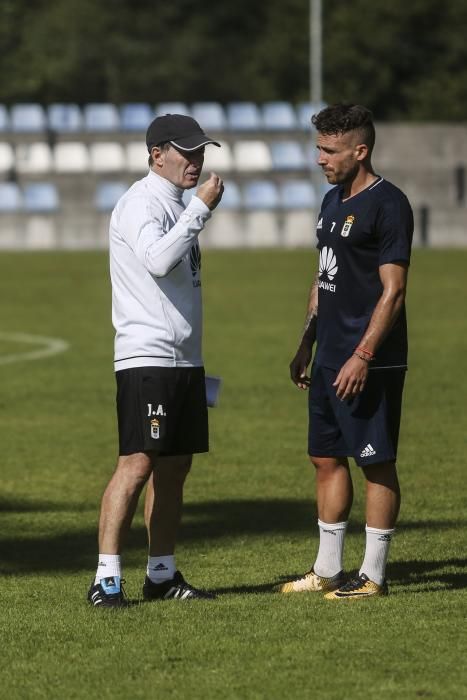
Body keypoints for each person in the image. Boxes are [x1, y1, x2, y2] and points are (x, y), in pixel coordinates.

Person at [87, 114, 224, 607]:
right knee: (137, 463)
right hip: (147, 357)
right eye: (186, 152)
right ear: (156, 154)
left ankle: (161, 575)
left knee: (176, 466)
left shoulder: (176, 203)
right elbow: (158, 260)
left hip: (183, 360)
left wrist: (193, 210)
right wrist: (201, 211)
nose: (197, 161)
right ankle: (106, 580)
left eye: (201, 151)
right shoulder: (141, 203)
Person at [279, 103, 413, 600]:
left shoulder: (389, 204)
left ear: (360, 150)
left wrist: (364, 355)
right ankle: (328, 570)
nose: (320, 159)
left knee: (374, 461)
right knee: (325, 457)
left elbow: (393, 291)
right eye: (318, 147)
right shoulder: (331, 201)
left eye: (329, 150)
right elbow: (324, 278)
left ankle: (373, 576)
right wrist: (306, 341)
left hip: (368, 358)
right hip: (330, 353)